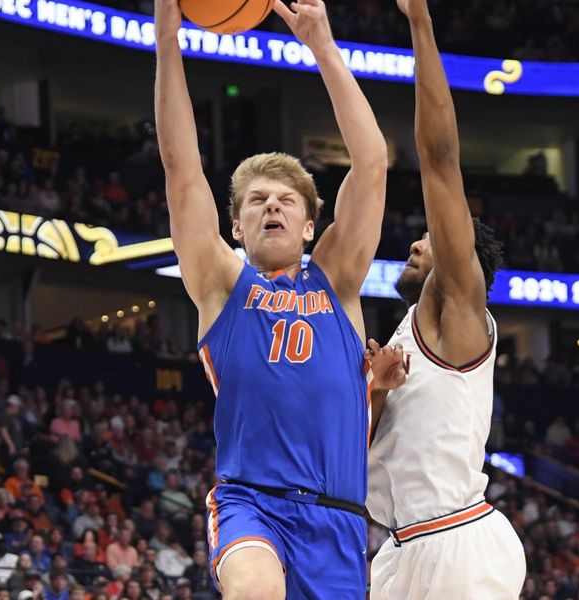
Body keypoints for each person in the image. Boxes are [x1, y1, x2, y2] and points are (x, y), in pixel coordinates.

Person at [154, 0, 387, 597]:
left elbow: (372, 163)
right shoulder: (221, 285)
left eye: (286, 200)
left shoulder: (335, 281)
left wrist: (322, 47)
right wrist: (167, 34)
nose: (272, 206)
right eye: (256, 200)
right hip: (250, 503)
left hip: (338, 519)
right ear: (237, 226)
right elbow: (182, 169)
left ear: (312, 226)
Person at [365, 0, 526, 598]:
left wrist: (419, 22)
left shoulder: (459, 305)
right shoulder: (409, 333)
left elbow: (439, 159)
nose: (416, 240)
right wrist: (375, 394)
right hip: (403, 547)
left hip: (455, 542)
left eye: (431, 238)